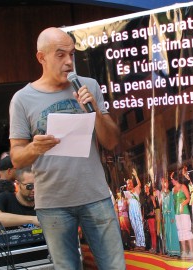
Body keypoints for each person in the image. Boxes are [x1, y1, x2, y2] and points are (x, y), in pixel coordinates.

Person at [9, 27, 124, 269]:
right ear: (41, 57)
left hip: (96, 197)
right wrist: (35, 148)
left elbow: (112, 142)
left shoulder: (88, 86)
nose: (69, 62)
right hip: (53, 203)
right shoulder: (22, 99)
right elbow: (17, 158)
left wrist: (95, 112)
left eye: (72, 54)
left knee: (114, 265)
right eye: (60, 55)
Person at [171, 172, 193, 259]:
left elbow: (189, 198)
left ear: (176, 179)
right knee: (180, 232)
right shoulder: (173, 190)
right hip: (177, 213)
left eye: (172, 179)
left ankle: (191, 251)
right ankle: (184, 251)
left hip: (184, 212)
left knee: (187, 230)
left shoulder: (183, 186)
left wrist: (182, 204)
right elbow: (173, 202)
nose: (171, 181)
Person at [123, 168, 145, 251]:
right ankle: (138, 244)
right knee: (135, 227)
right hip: (131, 212)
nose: (129, 184)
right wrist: (125, 201)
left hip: (137, 211)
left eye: (130, 183)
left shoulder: (136, 189)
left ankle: (142, 244)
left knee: (139, 227)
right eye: (128, 183)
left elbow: (139, 184)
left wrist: (136, 175)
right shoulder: (126, 193)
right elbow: (126, 205)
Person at [160, 175, 180, 257]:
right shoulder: (162, 194)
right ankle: (169, 251)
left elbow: (172, 205)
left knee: (173, 233)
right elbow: (161, 205)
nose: (166, 184)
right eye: (165, 182)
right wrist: (163, 217)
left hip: (171, 215)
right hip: (165, 216)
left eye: (167, 182)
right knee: (167, 233)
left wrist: (172, 217)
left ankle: (175, 251)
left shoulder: (171, 192)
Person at [142, 183, 157, 253]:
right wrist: (143, 217)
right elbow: (144, 208)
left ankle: (155, 247)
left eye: (147, 187)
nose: (146, 189)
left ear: (149, 188)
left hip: (151, 216)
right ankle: (153, 247)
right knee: (151, 233)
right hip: (147, 217)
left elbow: (155, 205)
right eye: (145, 188)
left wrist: (153, 211)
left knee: (153, 232)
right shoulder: (145, 197)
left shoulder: (151, 196)